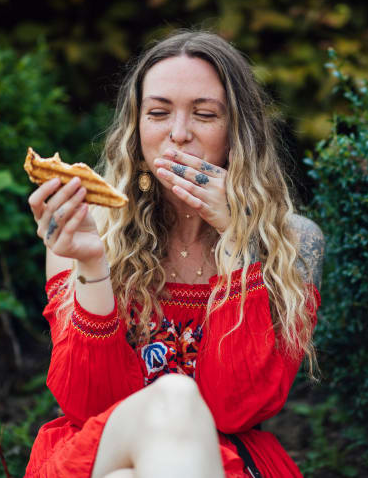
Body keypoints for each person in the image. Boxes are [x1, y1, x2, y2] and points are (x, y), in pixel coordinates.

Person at [24, 30, 325, 478]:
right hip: (95, 450)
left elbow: (233, 409)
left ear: (237, 133)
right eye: (158, 113)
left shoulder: (293, 241)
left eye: (204, 115)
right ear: (137, 126)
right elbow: (88, 404)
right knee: (170, 403)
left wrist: (237, 238)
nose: (178, 135)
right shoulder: (87, 230)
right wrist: (91, 262)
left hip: (227, 460)